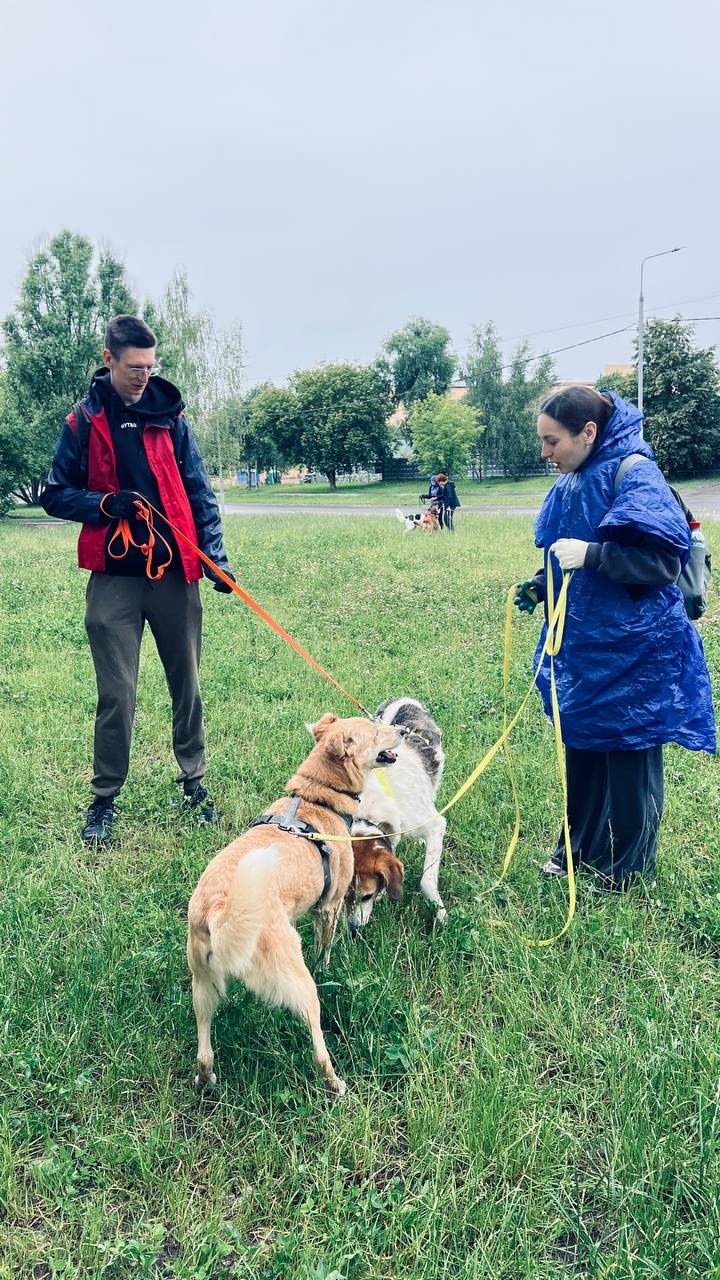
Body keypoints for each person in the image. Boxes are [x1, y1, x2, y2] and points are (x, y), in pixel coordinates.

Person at [41, 315, 236, 845]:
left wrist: (214, 557)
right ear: (109, 360)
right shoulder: (82, 420)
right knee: (117, 694)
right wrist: (107, 504)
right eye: (134, 367)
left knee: (187, 684)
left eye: (151, 366)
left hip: (175, 573)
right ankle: (104, 800)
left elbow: (199, 492)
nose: (144, 376)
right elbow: (53, 493)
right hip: (115, 578)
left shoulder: (170, 416)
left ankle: (195, 784)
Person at [513, 386, 715, 890]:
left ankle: (627, 870)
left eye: (551, 440)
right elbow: (569, 550)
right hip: (584, 647)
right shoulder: (575, 477)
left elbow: (663, 564)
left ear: (588, 432)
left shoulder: (636, 475)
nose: (545, 453)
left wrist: (594, 555)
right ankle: (576, 850)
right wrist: (541, 585)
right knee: (582, 746)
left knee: (628, 757)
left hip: (638, 649)